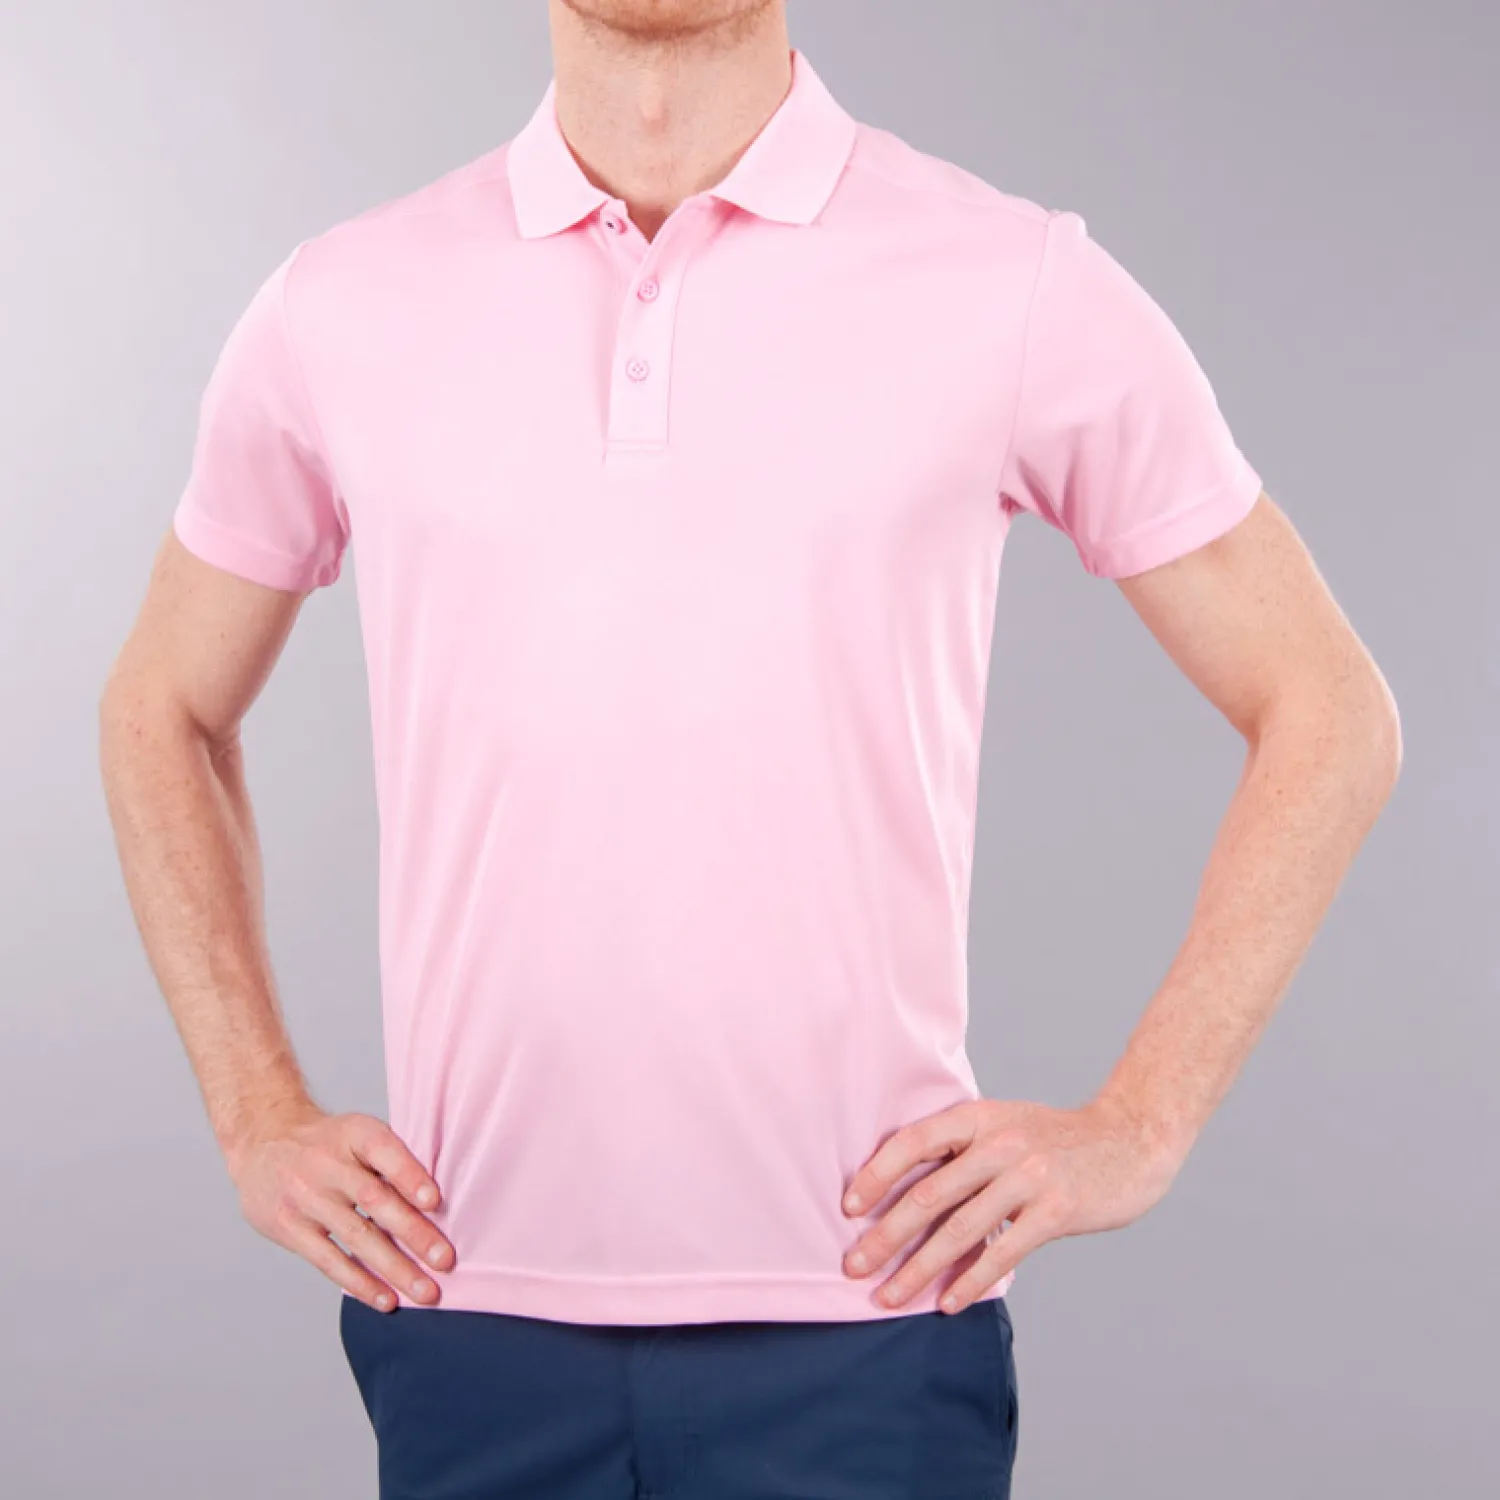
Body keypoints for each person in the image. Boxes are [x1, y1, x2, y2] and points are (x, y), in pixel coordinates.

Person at [98, 2, 1401, 1496]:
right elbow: (159, 711)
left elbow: (1329, 709)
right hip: (466, 1319)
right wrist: (256, 1113)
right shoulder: (341, 304)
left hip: (870, 1330)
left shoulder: (1014, 281)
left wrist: (1141, 1123)